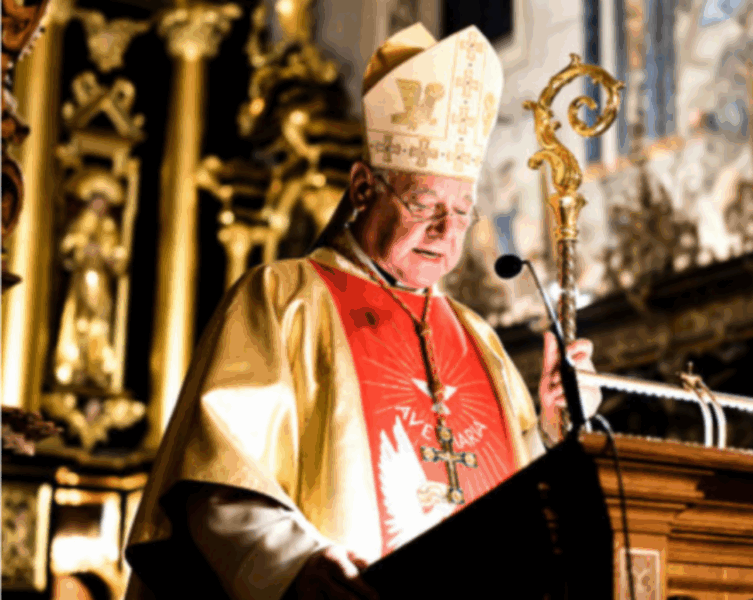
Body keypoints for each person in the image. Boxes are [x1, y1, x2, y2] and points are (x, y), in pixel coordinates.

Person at [124, 23, 601, 600]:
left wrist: (553, 428)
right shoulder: (285, 298)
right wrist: (293, 566)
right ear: (361, 189)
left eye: (461, 211)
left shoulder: (480, 339)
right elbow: (221, 473)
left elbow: (516, 504)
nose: (446, 233)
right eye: (424, 203)